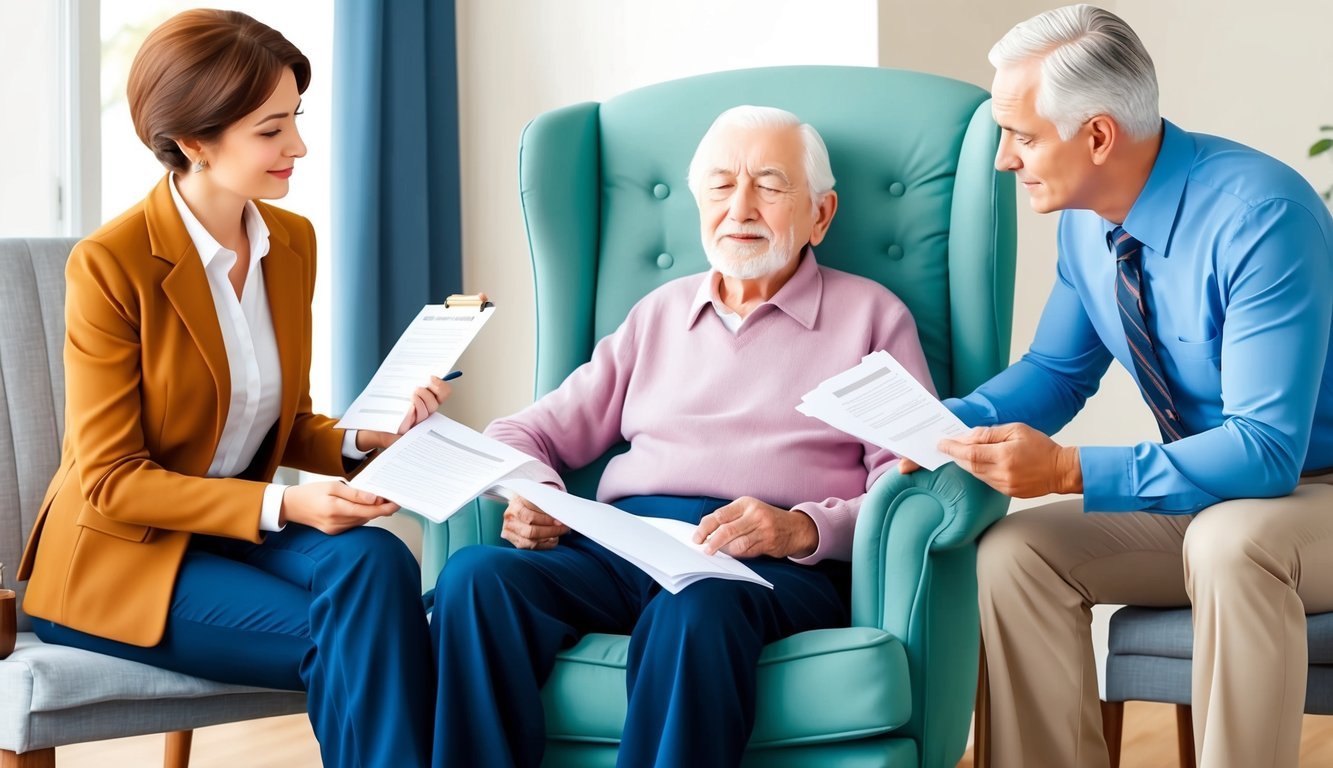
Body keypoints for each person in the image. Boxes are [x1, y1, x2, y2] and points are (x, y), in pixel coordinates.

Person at [428, 105, 934, 768]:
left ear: (820, 214)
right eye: (721, 186)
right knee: (477, 575)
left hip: (768, 561)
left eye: (770, 186)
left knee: (696, 603)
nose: (740, 207)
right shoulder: (659, 313)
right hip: (624, 541)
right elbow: (524, 430)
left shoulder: (870, 316)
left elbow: (912, 480)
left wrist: (799, 529)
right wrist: (538, 497)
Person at [16, 10, 446, 766]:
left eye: (297, 120)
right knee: (357, 634)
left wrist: (360, 439)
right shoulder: (111, 265)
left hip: (229, 534)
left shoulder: (292, 243)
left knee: (379, 564)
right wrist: (288, 502)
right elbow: (114, 481)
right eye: (271, 129)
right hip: (119, 560)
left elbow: (280, 425)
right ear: (193, 144)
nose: (299, 146)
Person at [908, 5, 1333, 767]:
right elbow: (1055, 373)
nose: (1006, 159)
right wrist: (939, 424)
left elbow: (1266, 452)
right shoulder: (1086, 222)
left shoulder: (1261, 219)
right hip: (1211, 490)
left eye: (1024, 136)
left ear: (1097, 136)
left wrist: (1069, 471)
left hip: (1309, 491)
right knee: (1014, 553)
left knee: (1228, 543)